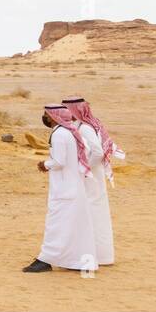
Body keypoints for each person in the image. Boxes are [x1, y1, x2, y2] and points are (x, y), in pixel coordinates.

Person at [23, 104, 96, 273]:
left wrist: (45, 164)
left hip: (64, 189)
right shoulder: (69, 132)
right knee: (71, 225)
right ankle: (75, 262)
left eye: (46, 115)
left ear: (54, 117)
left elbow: (59, 162)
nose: (45, 118)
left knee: (55, 224)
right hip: (72, 186)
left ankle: (45, 260)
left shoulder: (59, 134)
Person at [63, 96, 123, 266]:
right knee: (93, 213)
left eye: (67, 109)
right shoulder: (81, 126)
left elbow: (97, 152)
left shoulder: (85, 128)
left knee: (94, 213)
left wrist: (84, 168)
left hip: (91, 177)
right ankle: (98, 255)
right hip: (92, 176)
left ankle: (100, 256)